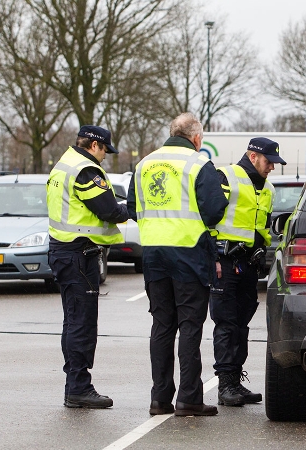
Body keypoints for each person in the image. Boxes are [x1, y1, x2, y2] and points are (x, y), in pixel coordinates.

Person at [127, 113, 228, 417]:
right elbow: (214, 210)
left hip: (154, 254)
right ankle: (189, 398)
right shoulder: (198, 164)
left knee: (161, 325)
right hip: (189, 254)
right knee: (190, 327)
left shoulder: (144, 164)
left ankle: (159, 399)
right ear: (197, 138)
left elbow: (132, 207)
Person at [47, 125, 130, 409]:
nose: (106, 156)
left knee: (72, 322)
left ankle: (75, 384)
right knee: (81, 323)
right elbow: (108, 210)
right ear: (95, 145)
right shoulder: (86, 170)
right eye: (105, 149)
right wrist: (134, 207)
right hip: (79, 255)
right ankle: (79, 387)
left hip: (63, 252)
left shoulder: (63, 164)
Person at [210, 137, 285, 406]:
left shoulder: (267, 188)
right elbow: (208, 216)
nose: (272, 168)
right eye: (268, 162)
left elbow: (262, 227)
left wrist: (262, 254)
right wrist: (212, 255)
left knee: (241, 324)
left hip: (248, 263)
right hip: (225, 261)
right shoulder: (226, 177)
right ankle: (225, 384)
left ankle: (235, 381)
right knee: (227, 323)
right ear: (253, 156)